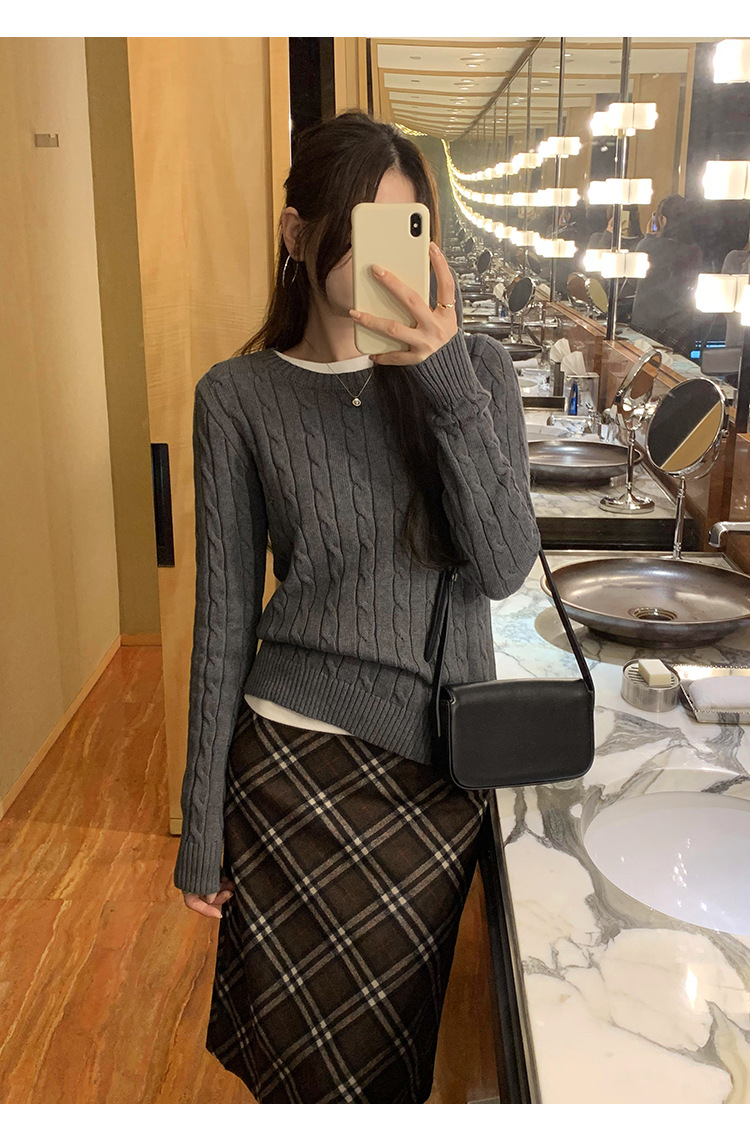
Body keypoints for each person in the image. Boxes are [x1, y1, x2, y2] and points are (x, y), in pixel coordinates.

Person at [173, 110, 540, 1104]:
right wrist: (200, 821)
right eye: (362, 225)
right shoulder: (237, 397)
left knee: (382, 1074)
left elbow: (504, 564)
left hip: (428, 783)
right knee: (296, 1079)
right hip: (285, 774)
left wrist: (441, 376)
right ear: (297, 233)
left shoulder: (476, 373)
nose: (386, 254)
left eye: (405, 227)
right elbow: (222, 623)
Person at [630, 194, 703, 357]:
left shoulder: (647, 246)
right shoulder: (694, 251)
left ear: (662, 220)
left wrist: (649, 238)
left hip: (647, 324)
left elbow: (632, 282)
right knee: (675, 369)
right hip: (679, 326)